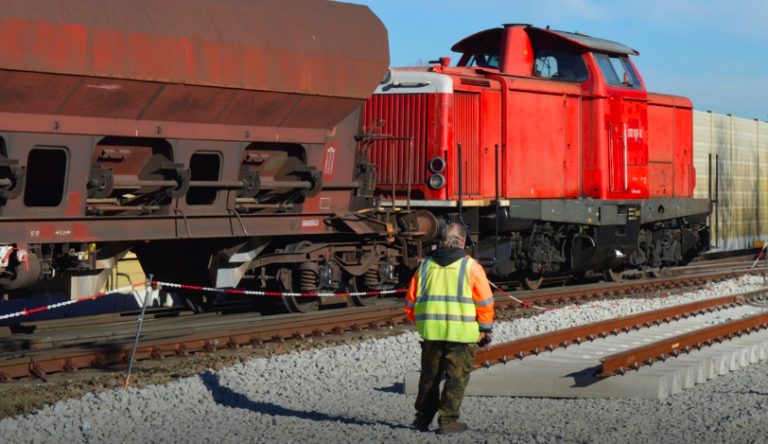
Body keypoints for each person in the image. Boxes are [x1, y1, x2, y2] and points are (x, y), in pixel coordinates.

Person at [404, 222, 495, 434]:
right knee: (456, 378)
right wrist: (484, 328)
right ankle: (448, 421)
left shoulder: (425, 266)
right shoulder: (471, 267)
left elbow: (410, 303)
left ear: (441, 240)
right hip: (462, 335)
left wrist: (422, 323)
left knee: (429, 376)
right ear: (463, 242)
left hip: (431, 333)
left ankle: (422, 419)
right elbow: (484, 302)